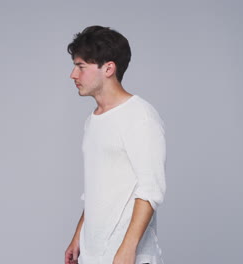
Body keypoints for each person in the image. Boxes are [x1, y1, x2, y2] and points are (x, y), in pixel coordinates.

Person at [64, 26, 167, 264]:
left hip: (128, 256)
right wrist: (79, 235)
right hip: (93, 254)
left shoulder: (140, 116)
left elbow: (150, 190)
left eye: (81, 66)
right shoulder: (93, 121)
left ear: (108, 68)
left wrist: (127, 249)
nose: (73, 75)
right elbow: (97, 188)